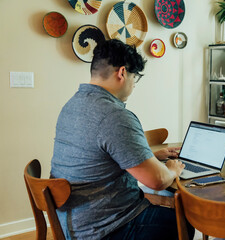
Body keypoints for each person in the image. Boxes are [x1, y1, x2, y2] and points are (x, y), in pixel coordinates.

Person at [51, 39, 195, 240]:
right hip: (105, 227)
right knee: (183, 222)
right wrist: (172, 168)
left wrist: (151, 155)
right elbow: (158, 181)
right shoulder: (114, 115)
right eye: (134, 78)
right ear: (122, 73)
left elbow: (99, 157)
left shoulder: (72, 105)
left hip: (74, 221)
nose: (134, 85)